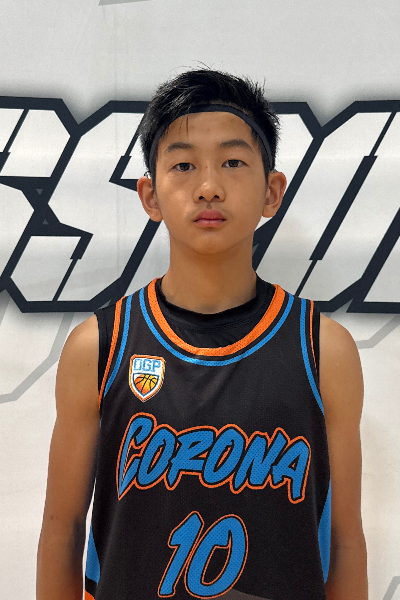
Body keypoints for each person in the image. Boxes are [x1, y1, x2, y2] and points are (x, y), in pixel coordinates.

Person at [36, 69, 368, 600]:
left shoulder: (324, 349)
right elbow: (63, 532)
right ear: (150, 195)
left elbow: (345, 540)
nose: (209, 186)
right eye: (184, 165)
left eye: (233, 162)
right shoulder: (99, 346)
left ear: (272, 191)